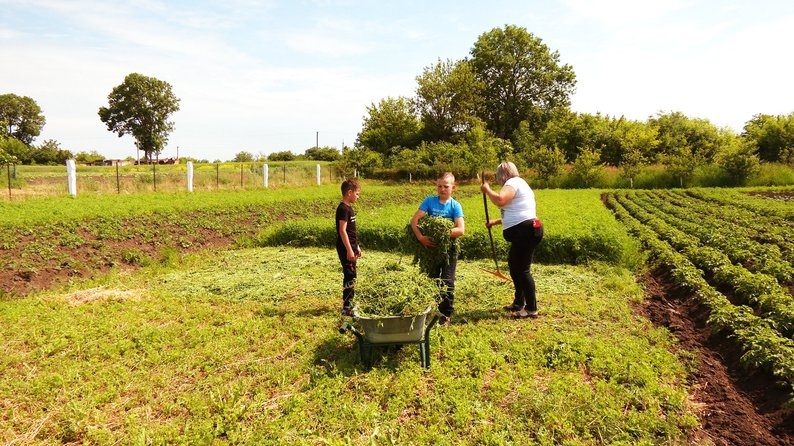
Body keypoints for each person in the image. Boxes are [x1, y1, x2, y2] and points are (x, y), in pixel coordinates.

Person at [480, 161, 544, 319]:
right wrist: (495, 222)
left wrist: (487, 190)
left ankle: (531, 309)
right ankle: (518, 302)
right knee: (515, 267)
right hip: (527, 229)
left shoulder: (513, 182)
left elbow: (501, 200)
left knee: (522, 270)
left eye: (498, 176)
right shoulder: (520, 184)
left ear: (503, 174)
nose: (498, 180)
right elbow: (517, 212)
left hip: (526, 232)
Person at [410, 172, 465, 325]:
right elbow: (414, 220)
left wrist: (442, 233)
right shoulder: (429, 201)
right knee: (430, 279)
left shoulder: (455, 206)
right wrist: (421, 238)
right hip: (430, 248)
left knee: (447, 281)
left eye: (446, 186)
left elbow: (460, 230)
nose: (442, 189)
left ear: (453, 187)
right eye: (439, 186)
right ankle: (428, 309)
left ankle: (445, 314)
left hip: (449, 250)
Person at [336, 178, 362, 316]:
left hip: (351, 246)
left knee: (353, 275)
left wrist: (356, 246)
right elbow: (342, 231)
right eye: (357, 194)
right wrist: (349, 250)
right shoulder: (342, 209)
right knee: (349, 275)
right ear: (349, 192)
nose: (358, 196)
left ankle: (351, 303)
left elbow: (352, 232)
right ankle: (347, 307)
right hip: (345, 248)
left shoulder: (349, 208)